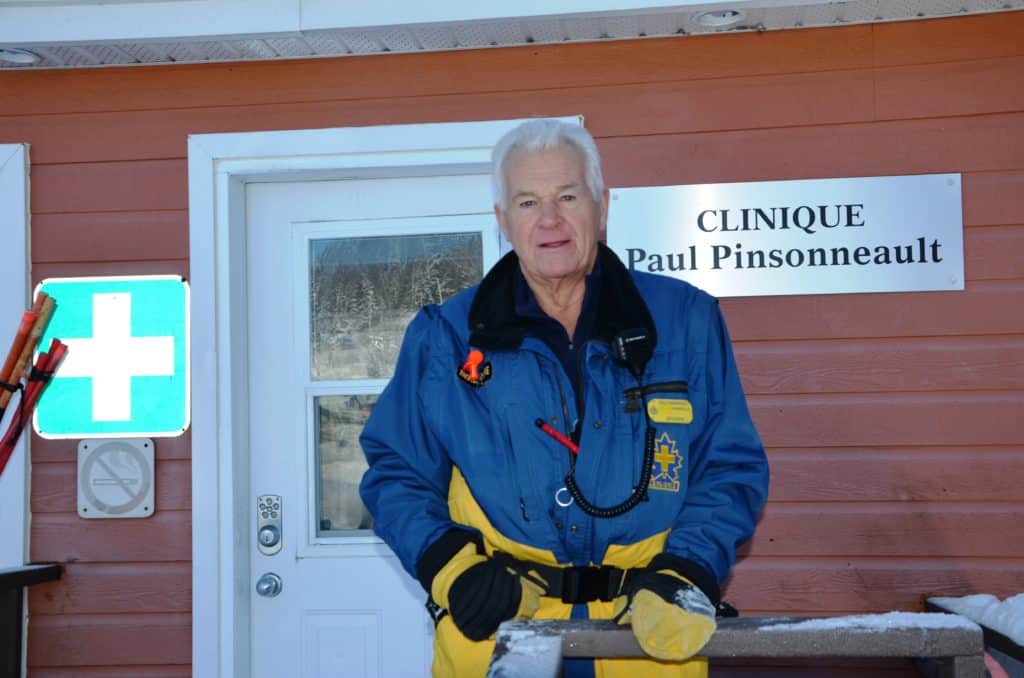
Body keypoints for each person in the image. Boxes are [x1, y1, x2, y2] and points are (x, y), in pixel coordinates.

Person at [360, 119, 769, 678]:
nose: (548, 219)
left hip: (644, 635)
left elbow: (729, 467)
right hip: (500, 634)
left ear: (602, 207)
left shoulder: (686, 321)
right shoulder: (446, 336)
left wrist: (687, 572)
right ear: (503, 222)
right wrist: (451, 568)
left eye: (567, 196)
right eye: (527, 202)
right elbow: (396, 471)